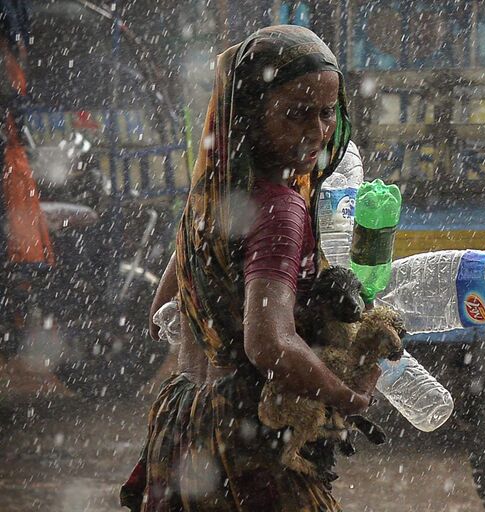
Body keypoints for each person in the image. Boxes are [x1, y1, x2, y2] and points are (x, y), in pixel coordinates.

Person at [121, 25, 378, 511]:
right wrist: (347, 396)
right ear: (250, 115)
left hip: (184, 423)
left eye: (327, 113)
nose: (317, 132)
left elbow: (163, 312)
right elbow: (268, 344)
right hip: (243, 443)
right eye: (296, 114)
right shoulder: (280, 208)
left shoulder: (212, 192)